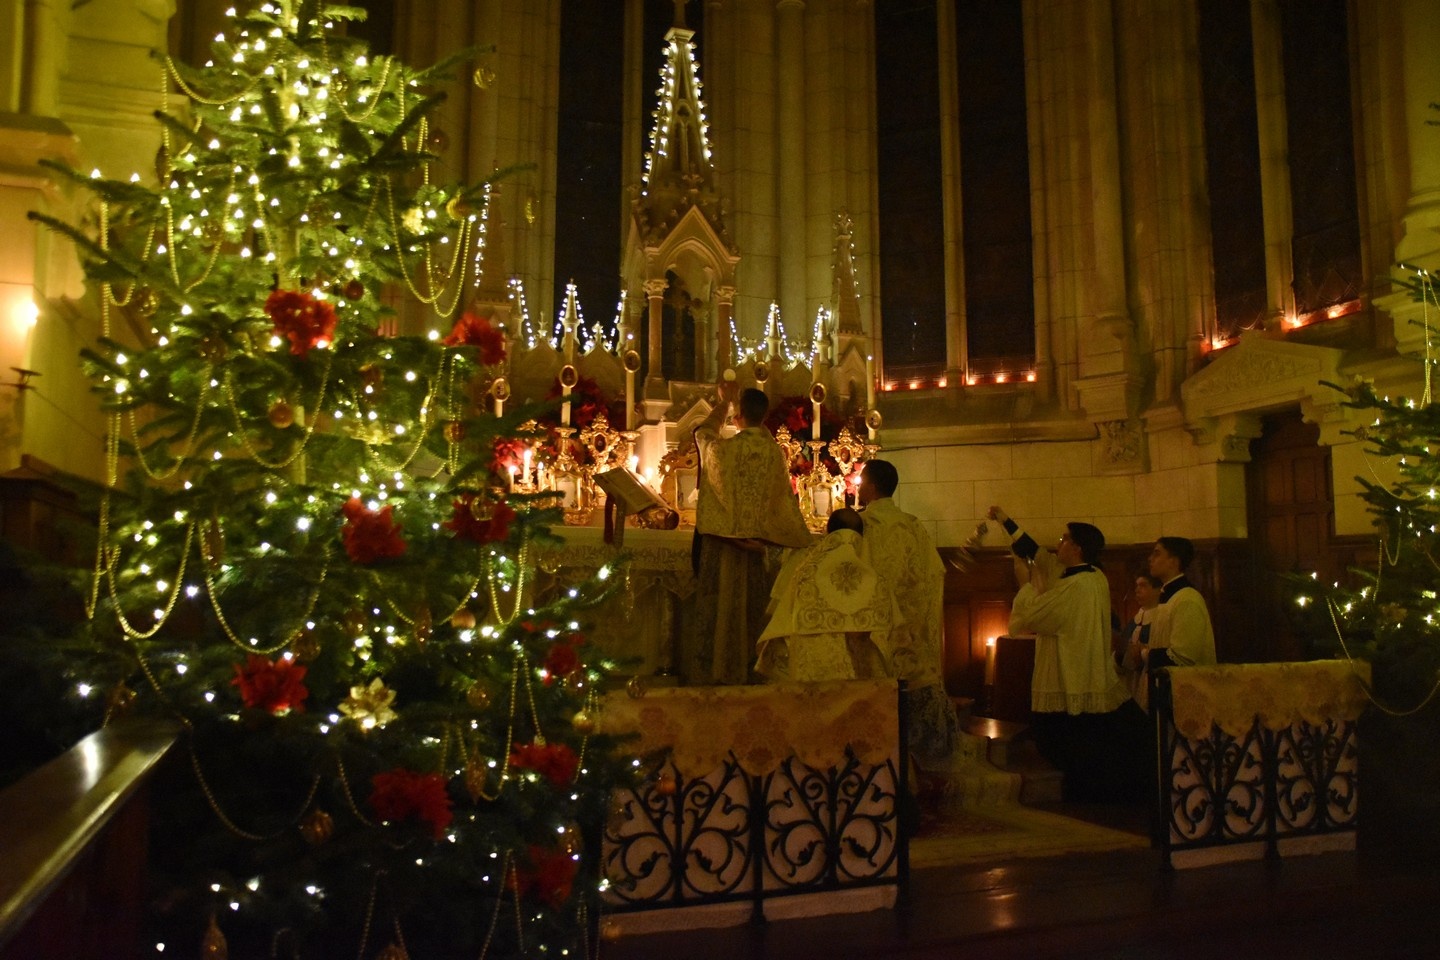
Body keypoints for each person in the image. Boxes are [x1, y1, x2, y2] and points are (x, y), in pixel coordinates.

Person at [990, 506, 1130, 801]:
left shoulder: (1076, 586)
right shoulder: (1093, 575)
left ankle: (1080, 793)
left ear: (1077, 548)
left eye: (1064, 539)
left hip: (1071, 673)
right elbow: (1039, 555)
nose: (1058, 544)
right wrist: (1005, 520)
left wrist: (1026, 587)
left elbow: (1036, 616)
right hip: (1086, 669)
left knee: (1062, 738)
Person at [683, 381, 812, 684]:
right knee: (753, 612)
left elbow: (703, 434)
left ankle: (719, 672)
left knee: (722, 613)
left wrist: (724, 403)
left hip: (724, 549)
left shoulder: (726, 449)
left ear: (737, 416)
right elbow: (782, 501)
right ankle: (753, 673)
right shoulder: (773, 452)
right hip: (758, 551)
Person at [858, 460, 956, 765]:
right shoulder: (912, 525)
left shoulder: (862, 525)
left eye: (861, 481)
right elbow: (935, 572)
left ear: (872, 487)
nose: (858, 488)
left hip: (874, 626)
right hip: (912, 630)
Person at [754, 508, 898, 682]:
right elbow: (889, 635)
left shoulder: (805, 573)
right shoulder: (875, 578)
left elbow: (782, 623)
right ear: (861, 536)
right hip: (862, 681)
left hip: (813, 680)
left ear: (828, 534)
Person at [1125, 536, 1217, 704]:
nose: (1150, 559)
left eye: (1157, 554)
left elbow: (1182, 657)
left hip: (1186, 698)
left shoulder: (1187, 599)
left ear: (1173, 562)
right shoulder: (1168, 597)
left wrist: (1143, 653)